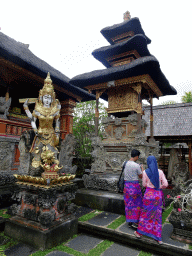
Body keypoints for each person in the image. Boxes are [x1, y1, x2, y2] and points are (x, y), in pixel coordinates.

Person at [23, 72, 61, 176]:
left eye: (49, 98)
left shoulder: (54, 109)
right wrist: (26, 108)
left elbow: (57, 120)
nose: (47, 100)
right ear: (41, 97)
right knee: (37, 152)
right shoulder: (38, 109)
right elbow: (32, 120)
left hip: (51, 134)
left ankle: (52, 170)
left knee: (53, 153)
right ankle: (35, 171)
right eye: (45, 97)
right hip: (39, 134)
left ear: (52, 98)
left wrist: (57, 130)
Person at [134, 155, 168, 244]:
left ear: (148, 163)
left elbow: (144, 184)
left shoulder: (145, 172)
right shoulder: (160, 172)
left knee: (145, 213)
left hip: (148, 195)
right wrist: (159, 186)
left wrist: (150, 186)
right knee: (157, 215)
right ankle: (158, 238)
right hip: (157, 195)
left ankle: (139, 233)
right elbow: (166, 184)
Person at [123, 149, 143, 229]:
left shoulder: (124, 163)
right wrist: (141, 168)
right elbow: (141, 176)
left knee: (128, 204)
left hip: (126, 186)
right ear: (137, 156)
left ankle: (129, 221)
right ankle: (135, 222)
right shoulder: (137, 166)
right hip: (134, 187)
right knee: (137, 204)